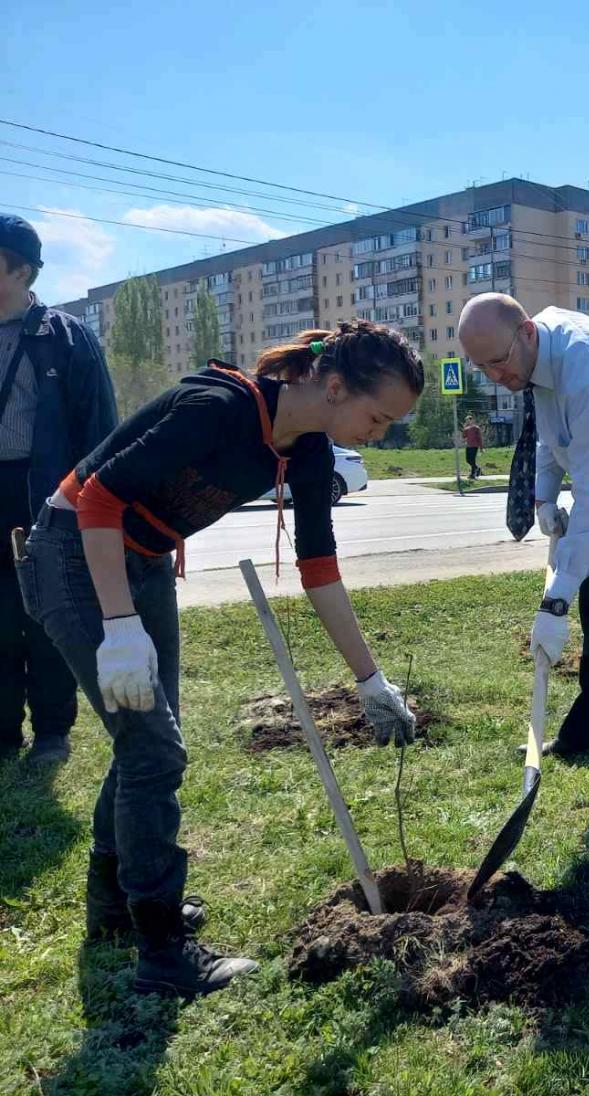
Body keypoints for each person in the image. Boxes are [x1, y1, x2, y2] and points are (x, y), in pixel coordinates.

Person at [16, 319, 423, 997]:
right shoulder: (219, 407)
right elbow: (98, 497)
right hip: (75, 555)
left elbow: (319, 568)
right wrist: (118, 626)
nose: (378, 435)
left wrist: (369, 679)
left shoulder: (312, 451)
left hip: (141, 561)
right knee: (153, 751)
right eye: (377, 417)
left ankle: (116, 907)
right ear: (333, 383)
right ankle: (162, 954)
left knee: (142, 743)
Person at [458, 293, 589, 833]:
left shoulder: (587, 369)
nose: (494, 376)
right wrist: (543, 497)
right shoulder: (533, 360)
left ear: (527, 333)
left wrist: (554, 598)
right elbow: (553, 439)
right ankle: (588, 730)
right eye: (481, 367)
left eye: (498, 362)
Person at [0, 214, 118, 765]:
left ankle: (52, 732)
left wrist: (89, 507)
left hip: (46, 495)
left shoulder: (67, 338)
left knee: (45, 615)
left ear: (21, 270)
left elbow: (100, 433)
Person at [461, 414, 484, 479]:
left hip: (475, 445)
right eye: (467, 420)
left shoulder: (476, 428)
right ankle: (477, 468)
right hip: (468, 445)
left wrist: (481, 447)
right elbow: (464, 436)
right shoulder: (466, 428)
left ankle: (472, 474)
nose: (468, 421)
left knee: (473, 460)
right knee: (468, 460)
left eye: (469, 420)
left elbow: (480, 438)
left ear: (472, 420)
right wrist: (464, 429)